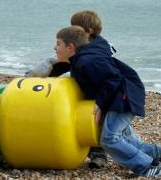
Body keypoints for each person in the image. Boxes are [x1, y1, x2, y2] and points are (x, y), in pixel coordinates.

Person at [55, 25, 161, 178]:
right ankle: (158, 153)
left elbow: (113, 78)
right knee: (122, 137)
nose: (54, 48)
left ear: (70, 47)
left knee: (109, 139)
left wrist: (100, 103)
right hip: (120, 95)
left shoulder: (87, 61)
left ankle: (148, 166)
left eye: (58, 44)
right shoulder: (80, 60)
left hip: (124, 97)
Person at [25, 10, 112, 168]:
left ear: (88, 31)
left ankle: (98, 154)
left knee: (96, 121)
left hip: (97, 91)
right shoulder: (81, 47)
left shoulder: (98, 49)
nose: (73, 31)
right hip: (83, 84)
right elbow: (60, 62)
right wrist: (31, 78)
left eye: (75, 27)